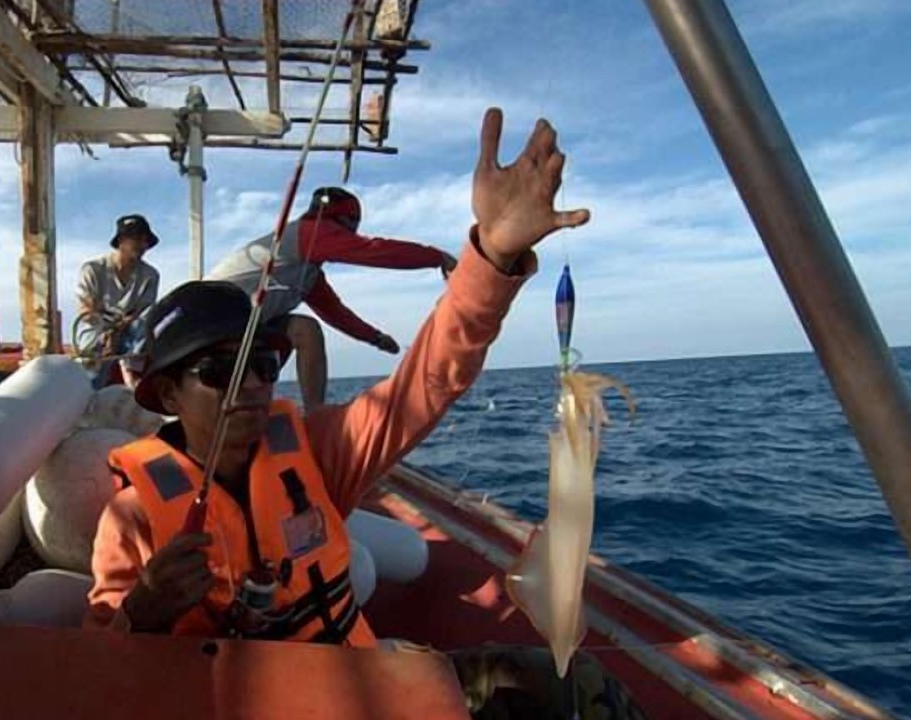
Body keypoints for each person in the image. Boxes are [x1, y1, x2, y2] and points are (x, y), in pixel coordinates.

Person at [86, 110, 645, 719]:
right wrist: (142, 612)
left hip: (362, 688)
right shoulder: (133, 517)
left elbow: (423, 387)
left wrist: (490, 256)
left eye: (264, 367)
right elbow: (95, 677)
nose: (249, 385)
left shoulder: (318, 452)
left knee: (576, 687)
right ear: (167, 395)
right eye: (219, 372)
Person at [206, 185, 457, 412]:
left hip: (240, 331)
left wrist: (375, 338)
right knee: (298, 333)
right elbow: (375, 251)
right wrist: (438, 257)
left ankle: (314, 415)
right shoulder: (309, 232)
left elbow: (335, 312)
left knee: (306, 330)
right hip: (209, 322)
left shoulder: (307, 271)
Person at [76, 213, 161, 388]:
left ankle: (131, 372)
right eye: (136, 239)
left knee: (150, 322)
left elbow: (141, 313)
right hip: (97, 330)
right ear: (121, 240)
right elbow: (86, 311)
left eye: (145, 241)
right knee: (92, 374)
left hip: (128, 331)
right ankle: (89, 387)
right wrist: (107, 334)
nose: (142, 245)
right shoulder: (92, 269)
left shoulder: (150, 275)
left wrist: (117, 330)